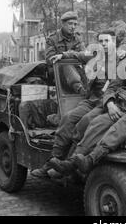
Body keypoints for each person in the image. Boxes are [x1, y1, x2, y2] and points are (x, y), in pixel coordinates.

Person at [49, 25, 126, 175]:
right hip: (123, 105)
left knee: (111, 126)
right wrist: (109, 103)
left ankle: (81, 161)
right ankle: (72, 161)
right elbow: (113, 86)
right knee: (95, 122)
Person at [31, 30, 116, 178]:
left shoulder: (121, 59)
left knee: (85, 122)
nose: (103, 44)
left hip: (106, 102)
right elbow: (78, 55)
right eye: (101, 41)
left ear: (114, 41)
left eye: (106, 41)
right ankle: (53, 160)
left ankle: (68, 166)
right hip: (91, 100)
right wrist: (63, 55)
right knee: (68, 118)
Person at [45, 11, 86, 94]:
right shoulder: (52, 39)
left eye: (75, 24)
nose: (73, 27)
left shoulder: (78, 39)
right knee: (66, 64)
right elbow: (51, 59)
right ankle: (79, 89)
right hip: (57, 74)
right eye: (70, 24)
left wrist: (65, 55)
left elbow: (83, 55)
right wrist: (69, 57)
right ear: (63, 24)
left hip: (77, 72)